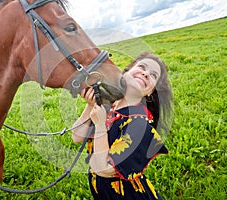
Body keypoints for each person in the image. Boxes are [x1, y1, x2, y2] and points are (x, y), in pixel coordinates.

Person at [72, 52, 173, 200]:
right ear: (126, 72)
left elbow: (104, 169)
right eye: (142, 67)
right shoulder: (109, 105)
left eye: (153, 75)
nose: (145, 73)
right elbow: (77, 136)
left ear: (150, 92)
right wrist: (90, 105)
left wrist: (100, 127)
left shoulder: (140, 125)